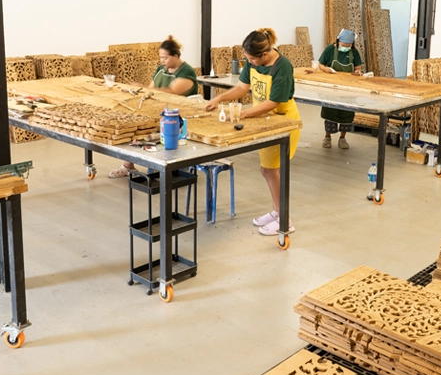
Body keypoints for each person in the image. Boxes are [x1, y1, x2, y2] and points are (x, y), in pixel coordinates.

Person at [205, 28, 300, 236]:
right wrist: (219, 98)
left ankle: (285, 220)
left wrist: (244, 114)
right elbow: (242, 88)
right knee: (267, 170)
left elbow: (274, 101)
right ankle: (277, 212)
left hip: (283, 122)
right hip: (264, 119)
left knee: (273, 171)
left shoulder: (282, 66)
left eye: (251, 59)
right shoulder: (253, 62)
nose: (249, 62)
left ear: (264, 54)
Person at [109, 36, 198, 178]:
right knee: (133, 125)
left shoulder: (186, 71)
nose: (162, 61)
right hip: (159, 109)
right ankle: (128, 165)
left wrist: (144, 88)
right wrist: (140, 90)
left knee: (149, 128)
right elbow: (152, 89)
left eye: (165, 58)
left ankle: (170, 165)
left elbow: (173, 92)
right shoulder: (161, 69)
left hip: (178, 114)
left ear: (175, 55)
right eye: (161, 58)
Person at [316, 28, 362, 149]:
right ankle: (327, 137)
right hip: (332, 88)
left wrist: (358, 72)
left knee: (346, 113)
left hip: (348, 88)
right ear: (337, 41)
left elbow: (358, 67)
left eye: (348, 45)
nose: (346, 47)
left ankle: (342, 138)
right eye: (343, 45)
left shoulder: (354, 52)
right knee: (330, 112)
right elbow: (320, 64)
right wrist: (326, 69)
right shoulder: (330, 49)